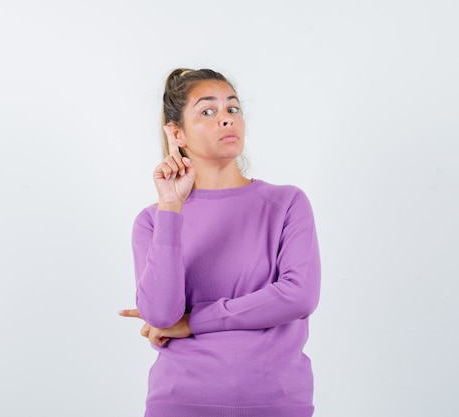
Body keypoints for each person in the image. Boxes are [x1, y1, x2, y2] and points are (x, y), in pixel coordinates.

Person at [119, 68, 321, 417]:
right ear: (176, 132)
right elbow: (162, 314)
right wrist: (171, 206)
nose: (227, 120)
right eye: (208, 111)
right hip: (180, 402)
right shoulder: (154, 220)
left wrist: (194, 321)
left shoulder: (287, 203)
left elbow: (298, 296)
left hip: (275, 401)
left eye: (233, 109)